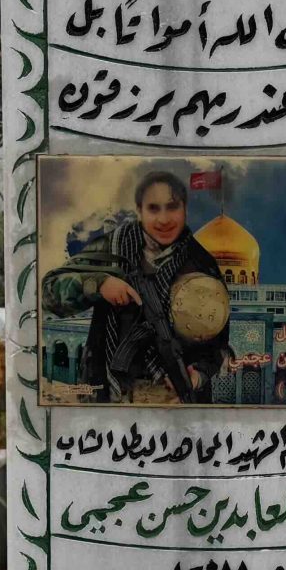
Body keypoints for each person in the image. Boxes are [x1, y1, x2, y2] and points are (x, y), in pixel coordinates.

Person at [84, 169, 229, 402]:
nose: (163, 219)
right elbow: (51, 290)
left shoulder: (203, 265)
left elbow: (218, 345)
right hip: (111, 399)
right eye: (153, 208)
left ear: (185, 210)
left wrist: (197, 375)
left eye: (172, 207)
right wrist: (100, 284)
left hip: (175, 404)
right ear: (139, 211)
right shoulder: (111, 247)